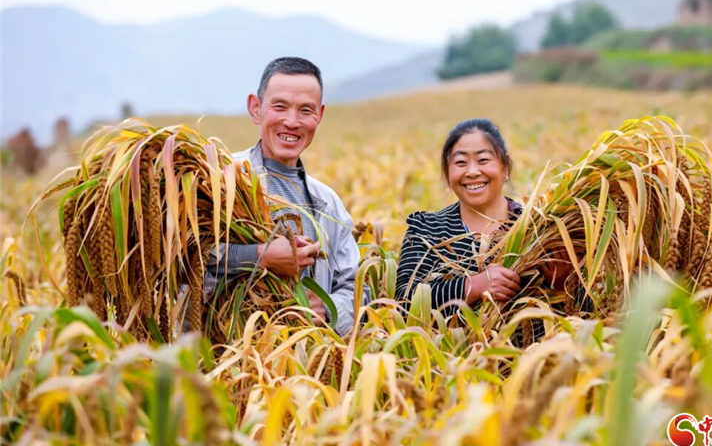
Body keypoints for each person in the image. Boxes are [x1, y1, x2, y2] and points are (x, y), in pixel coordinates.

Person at [203, 57, 367, 336]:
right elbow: (179, 263)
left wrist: (327, 309)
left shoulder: (328, 203)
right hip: (222, 355)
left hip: (305, 358)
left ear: (319, 115)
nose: (292, 122)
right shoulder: (218, 180)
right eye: (279, 107)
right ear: (255, 108)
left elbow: (355, 287)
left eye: (306, 110)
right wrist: (259, 256)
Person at [395, 118, 570, 318]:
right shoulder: (425, 229)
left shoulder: (540, 229)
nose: (472, 172)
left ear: (505, 167)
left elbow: (588, 313)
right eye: (460, 163)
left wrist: (563, 286)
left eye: (483, 160)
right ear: (447, 171)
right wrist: (474, 286)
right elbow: (404, 303)